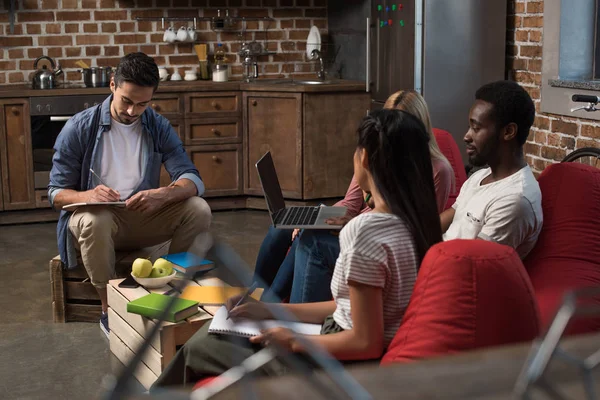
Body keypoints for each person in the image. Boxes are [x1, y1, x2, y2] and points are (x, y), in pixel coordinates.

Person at [151, 109, 443, 389]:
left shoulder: (365, 231)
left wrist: (293, 341)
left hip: (335, 362)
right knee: (217, 334)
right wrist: (270, 310)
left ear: (364, 157)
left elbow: (366, 340)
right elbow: (351, 308)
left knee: (198, 346)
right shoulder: (414, 225)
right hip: (343, 348)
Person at [48, 53, 212, 337]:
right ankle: (108, 310)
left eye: (142, 104)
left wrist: (165, 193)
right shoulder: (79, 127)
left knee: (198, 208)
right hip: (97, 222)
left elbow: (191, 177)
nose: (133, 111)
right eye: (127, 100)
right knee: (94, 219)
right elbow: (55, 194)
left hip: (140, 218)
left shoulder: (157, 125)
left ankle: (170, 295)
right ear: (113, 85)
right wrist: (88, 195)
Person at [255, 90, 454, 303]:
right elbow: (351, 201)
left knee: (310, 240)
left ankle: (269, 303)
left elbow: (416, 228)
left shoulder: (436, 170)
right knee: (283, 227)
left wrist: (353, 223)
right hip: (358, 224)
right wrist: (323, 216)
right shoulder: (374, 155)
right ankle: (256, 293)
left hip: (371, 232)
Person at [440, 80, 543, 259]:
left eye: (476, 128)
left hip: (456, 279)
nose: (466, 136)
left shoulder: (515, 199)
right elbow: (448, 219)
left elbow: (473, 265)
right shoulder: (481, 175)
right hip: (438, 262)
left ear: (508, 132)